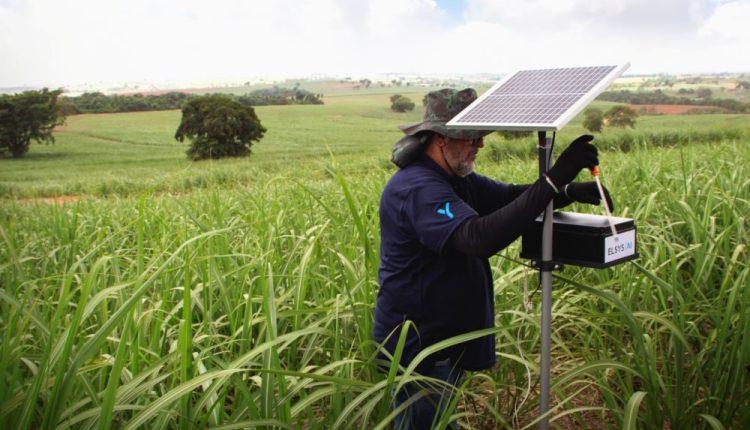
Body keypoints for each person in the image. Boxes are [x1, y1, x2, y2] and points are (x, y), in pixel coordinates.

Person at [374, 88, 613, 429]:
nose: (480, 145)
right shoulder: (417, 186)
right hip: (419, 348)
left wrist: (568, 191)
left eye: (481, 136)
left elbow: (514, 198)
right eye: (471, 137)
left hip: (444, 339)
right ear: (441, 138)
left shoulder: (458, 179)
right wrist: (553, 176)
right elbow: (477, 238)